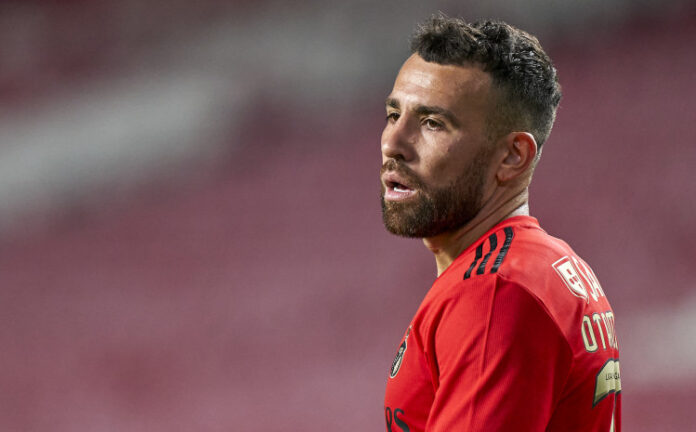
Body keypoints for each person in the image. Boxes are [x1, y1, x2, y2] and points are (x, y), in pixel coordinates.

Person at [380, 15, 621, 432]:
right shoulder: (546, 265)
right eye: (393, 114)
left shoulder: (494, 291)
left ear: (513, 156)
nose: (393, 143)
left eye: (433, 123)